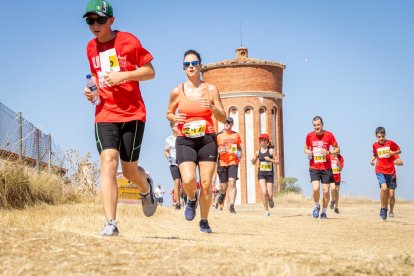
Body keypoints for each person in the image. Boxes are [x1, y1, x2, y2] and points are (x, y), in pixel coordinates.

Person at [82, 0, 157, 237]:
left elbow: (150, 71)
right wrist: (90, 91)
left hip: (133, 114)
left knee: (129, 171)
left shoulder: (128, 41)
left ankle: (146, 187)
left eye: (100, 20)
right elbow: (97, 78)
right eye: (90, 21)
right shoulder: (90, 48)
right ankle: (111, 224)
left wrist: (125, 75)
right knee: (108, 162)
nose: (95, 25)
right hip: (105, 113)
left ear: (111, 20)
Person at [166, 49, 226, 233]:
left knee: (207, 184)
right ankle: (191, 199)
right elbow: (168, 113)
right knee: (189, 180)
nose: (190, 67)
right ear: (183, 68)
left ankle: (204, 221)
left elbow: (223, 117)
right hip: (185, 140)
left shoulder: (211, 89)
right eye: (186, 64)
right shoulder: (177, 90)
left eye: (193, 63)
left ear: (200, 65)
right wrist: (175, 119)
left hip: (207, 139)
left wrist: (211, 108)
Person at [304, 116, 340, 219]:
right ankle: (316, 206)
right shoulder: (309, 136)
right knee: (315, 189)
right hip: (314, 166)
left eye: (318, 125)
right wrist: (308, 151)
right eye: (314, 125)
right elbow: (305, 148)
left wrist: (328, 152)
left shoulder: (329, 135)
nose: (316, 127)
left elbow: (337, 149)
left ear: (322, 124)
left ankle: (324, 212)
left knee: (325, 191)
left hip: (326, 167)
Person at [370, 127, 401, 220]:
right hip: (380, 170)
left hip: (390, 172)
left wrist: (393, 152)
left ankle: (388, 210)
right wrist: (372, 160)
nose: (381, 138)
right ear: (376, 136)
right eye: (379, 136)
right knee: (384, 189)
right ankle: (383, 208)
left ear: (385, 135)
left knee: (390, 193)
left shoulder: (390, 143)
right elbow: (375, 154)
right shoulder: (375, 145)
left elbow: (399, 150)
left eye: (383, 136)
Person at [216, 117, 242, 214]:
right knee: (224, 186)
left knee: (232, 182)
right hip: (222, 162)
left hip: (233, 162)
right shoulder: (218, 135)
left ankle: (231, 205)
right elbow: (214, 149)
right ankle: (222, 194)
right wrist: (219, 151)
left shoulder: (236, 135)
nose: (227, 123)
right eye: (225, 122)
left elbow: (239, 147)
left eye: (229, 122)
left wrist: (240, 153)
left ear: (232, 124)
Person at [251, 133, 278, 216]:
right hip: (261, 174)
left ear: (267, 142)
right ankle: (266, 211)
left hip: (269, 174)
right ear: (259, 142)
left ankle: (270, 199)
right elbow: (254, 162)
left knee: (270, 194)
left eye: (264, 140)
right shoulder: (258, 152)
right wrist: (253, 160)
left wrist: (270, 159)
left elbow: (277, 162)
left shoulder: (271, 151)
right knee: (264, 191)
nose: (263, 142)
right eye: (261, 140)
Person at [164, 121, 182, 210]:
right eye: (176, 126)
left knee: (186, 183)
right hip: (173, 163)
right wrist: (169, 157)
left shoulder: (182, 137)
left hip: (183, 162)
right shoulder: (169, 139)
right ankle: (178, 203)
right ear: (172, 127)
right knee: (177, 182)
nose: (178, 127)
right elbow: (166, 151)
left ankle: (186, 198)